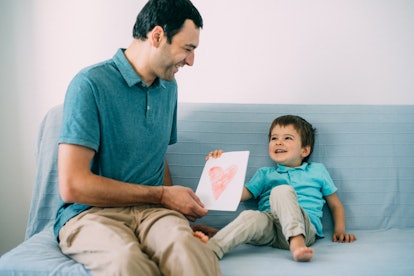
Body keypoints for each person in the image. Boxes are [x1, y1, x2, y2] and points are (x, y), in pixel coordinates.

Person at [54, 0, 221, 275]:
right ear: (157, 36)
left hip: (153, 212)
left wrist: (179, 218)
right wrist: (163, 195)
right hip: (91, 214)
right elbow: (73, 185)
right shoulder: (89, 84)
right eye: (188, 48)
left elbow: (157, 158)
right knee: (126, 259)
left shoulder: (169, 87)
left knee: (189, 251)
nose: (191, 61)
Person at [193, 115, 356, 262]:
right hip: (272, 229)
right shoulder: (265, 174)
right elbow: (239, 195)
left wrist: (340, 230)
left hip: (304, 228)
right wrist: (222, 164)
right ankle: (212, 248)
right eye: (274, 138)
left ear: (304, 150)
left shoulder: (317, 171)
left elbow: (336, 205)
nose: (279, 142)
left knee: (281, 191)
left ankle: (296, 241)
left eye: (287, 138)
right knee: (250, 216)